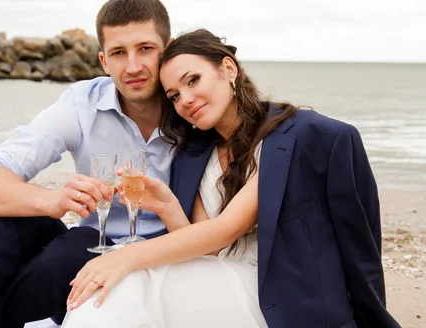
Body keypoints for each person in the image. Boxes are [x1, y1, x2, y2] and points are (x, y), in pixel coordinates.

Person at [62, 29, 400, 328]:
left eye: (192, 80)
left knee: (128, 278)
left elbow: (227, 229)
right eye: (174, 96)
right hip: (221, 283)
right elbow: (208, 249)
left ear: (228, 69)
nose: (186, 100)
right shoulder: (196, 154)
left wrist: (122, 257)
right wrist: (166, 205)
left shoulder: (299, 136)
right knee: (121, 290)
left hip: (281, 299)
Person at [0, 0, 188, 328]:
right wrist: (52, 200)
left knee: (74, 250)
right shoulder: (82, 103)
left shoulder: (194, 107)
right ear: (104, 62)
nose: (133, 66)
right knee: (22, 227)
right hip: (84, 255)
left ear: (169, 49)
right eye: (119, 53)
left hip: (160, 264)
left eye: (145, 49)